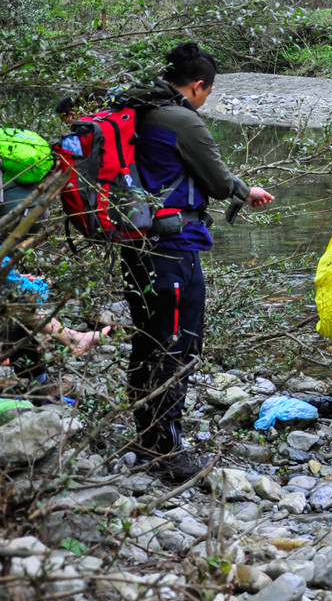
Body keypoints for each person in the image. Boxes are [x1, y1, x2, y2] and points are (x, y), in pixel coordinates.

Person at [118, 42, 275, 482]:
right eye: (207, 92)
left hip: (136, 244)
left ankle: (145, 434)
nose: (205, 100)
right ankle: (165, 451)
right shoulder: (183, 119)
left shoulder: (138, 110)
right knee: (178, 345)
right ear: (197, 85)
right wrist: (241, 190)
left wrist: (246, 190)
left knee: (147, 339)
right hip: (174, 249)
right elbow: (217, 181)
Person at [0, 186, 109, 400]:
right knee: (15, 314)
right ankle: (42, 382)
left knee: (3, 304)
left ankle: (71, 342)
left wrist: (9, 279)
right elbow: (32, 297)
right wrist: (39, 283)